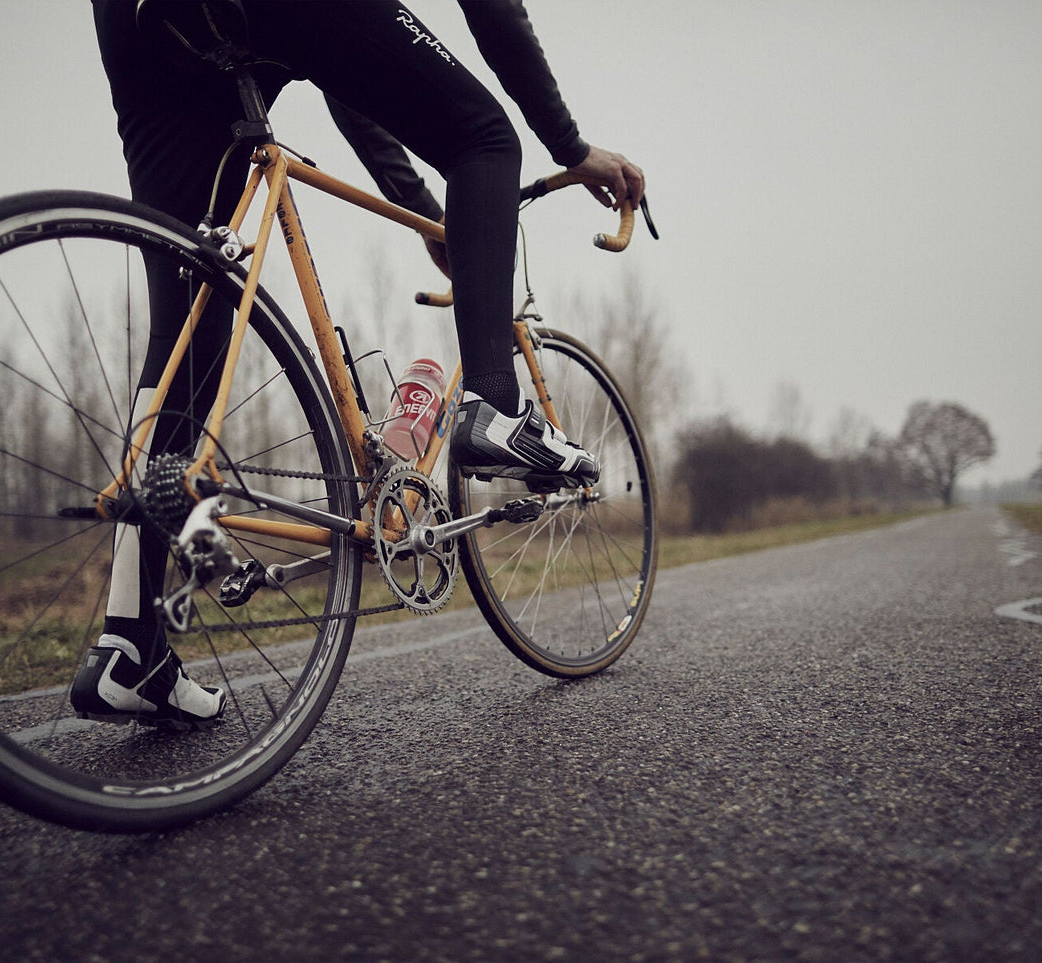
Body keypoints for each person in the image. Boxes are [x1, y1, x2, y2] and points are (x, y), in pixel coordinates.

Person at [71, 0, 645, 729]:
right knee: (486, 137)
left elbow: (349, 73)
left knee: (188, 324)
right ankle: (494, 406)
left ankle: (130, 647)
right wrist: (568, 145)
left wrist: (420, 205)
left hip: (134, 26)